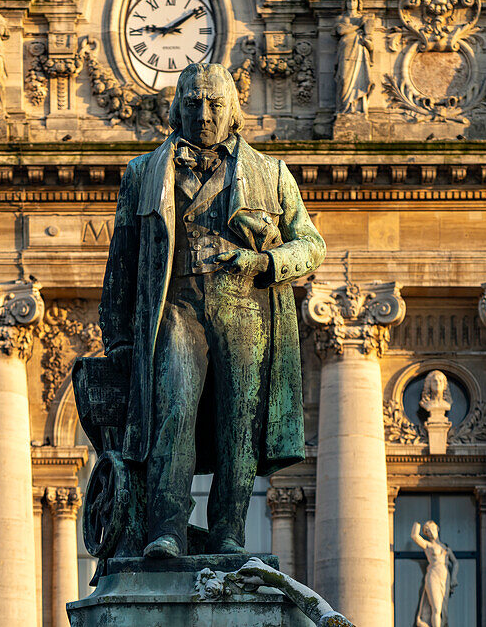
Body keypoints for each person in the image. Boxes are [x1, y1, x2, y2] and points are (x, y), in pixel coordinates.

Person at [99, 62, 325, 558]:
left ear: (232, 111)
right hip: (176, 308)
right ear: (176, 109)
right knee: (173, 411)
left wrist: (265, 260)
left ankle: (228, 532)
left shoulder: (270, 173)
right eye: (193, 103)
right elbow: (121, 263)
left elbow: (311, 245)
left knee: (238, 424)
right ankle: (167, 531)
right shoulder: (143, 172)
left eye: (214, 104)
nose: (203, 114)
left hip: (245, 310)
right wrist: (116, 339)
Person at [411, 520, 458, 627]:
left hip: (445, 576)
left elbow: (455, 563)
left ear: (437, 528)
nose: (430, 532)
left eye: (432, 528)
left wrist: (454, 577)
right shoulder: (428, 546)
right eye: (427, 531)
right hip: (433, 574)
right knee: (436, 607)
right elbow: (414, 536)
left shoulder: (446, 548)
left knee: (443, 609)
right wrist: (417, 523)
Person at [334, 0, 373, 114]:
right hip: (345, 52)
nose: (351, 3)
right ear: (345, 3)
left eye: (354, 0)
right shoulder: (341, 18)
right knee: (344, 79)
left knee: (359, 80)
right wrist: (358, 26)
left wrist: (367, 42)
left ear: (358, 2)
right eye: (349, 0)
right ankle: (345, 108)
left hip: (359, 52)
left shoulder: (364, 19)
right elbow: (341, 31)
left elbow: (370, 43)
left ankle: (356, 107)